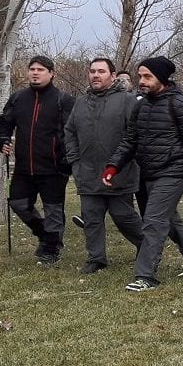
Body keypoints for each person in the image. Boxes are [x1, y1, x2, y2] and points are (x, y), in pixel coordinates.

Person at [104, 56, 183, 292]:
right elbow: (130, 140)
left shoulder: (179, 104)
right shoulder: (141, 106)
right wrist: (114, 166)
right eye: (140, 76)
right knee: (170, 221)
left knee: (154, 221)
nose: (142, 81)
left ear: (162, 78)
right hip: (150, 173)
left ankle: (145, 276)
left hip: (175, 172)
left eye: (148, 76)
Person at [63, 57, 144, 274]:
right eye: (92, 71)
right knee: (91, 217)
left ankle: (146, 245)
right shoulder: (81, 102)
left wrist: (123, 162)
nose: (96, 75)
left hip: (119, 172)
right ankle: (96, 258)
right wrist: (75, 160)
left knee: (123, 216)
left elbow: (135, 134)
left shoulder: (127, 100)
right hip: (87, 172)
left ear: (113, 75)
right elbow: (70, 132)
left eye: (101, 71)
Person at [0, 55, 75, 264]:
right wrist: (3, 139)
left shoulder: (63, 100)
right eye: (32, 69)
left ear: (52, 73)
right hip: (23, 167)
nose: (35, 73)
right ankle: (44, 234)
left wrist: (68, 160)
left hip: (54, 167)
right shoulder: (18, 98)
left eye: (40, 70)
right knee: (18, 204)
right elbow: (4, 122)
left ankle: (52, 249)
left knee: (53, 211)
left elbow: (73, 132)